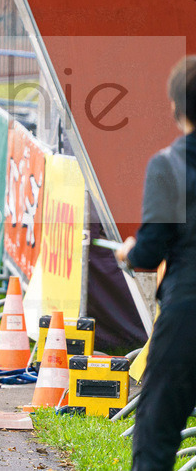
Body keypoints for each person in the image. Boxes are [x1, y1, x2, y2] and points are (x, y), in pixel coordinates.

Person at [116, 56, 196, 471]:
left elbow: (149, 252)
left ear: (176, 107)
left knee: (156, 436)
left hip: (187, 315)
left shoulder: (168, 164)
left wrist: (129, 251)